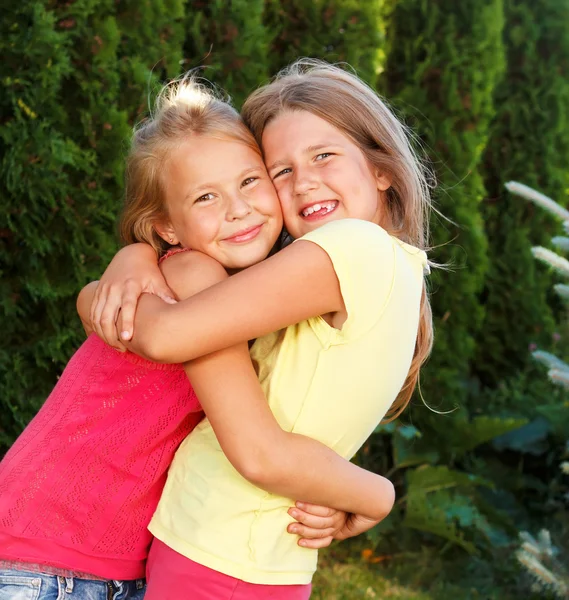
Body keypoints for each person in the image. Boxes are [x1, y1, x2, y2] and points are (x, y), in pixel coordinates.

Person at [0, 77, 392, 600]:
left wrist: (132, 256)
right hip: (44, 555)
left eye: (251, 181)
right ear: (167, 228)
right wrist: (372, 491)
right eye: (206, 196)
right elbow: (254, 440)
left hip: (107, 558)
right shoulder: (195, 274)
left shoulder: (251, 291)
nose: (237, 209)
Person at [87, 59, 434, 599]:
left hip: (217, 553)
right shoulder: (388, 270)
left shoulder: (355, 248)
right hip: (260, 561)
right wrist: (136, 256)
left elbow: (162, 335)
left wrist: (100, 289)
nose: (305, 182)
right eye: (281, 171)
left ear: (382, 168)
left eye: (324, 156)